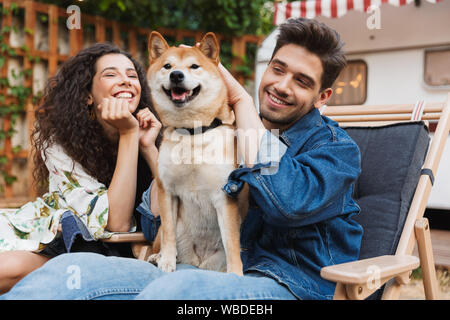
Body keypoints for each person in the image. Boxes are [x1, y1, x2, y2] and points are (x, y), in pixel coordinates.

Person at [1, 18, 363, 300]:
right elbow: (155, 220)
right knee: (66, 271)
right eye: (278, 69)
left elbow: (287, 203)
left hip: (282, 285)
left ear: (322, 96)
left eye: (302, 81)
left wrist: (242, 104)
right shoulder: (219, 130)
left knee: (171, 293)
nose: (282, 86)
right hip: (191, 268)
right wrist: (156, 148)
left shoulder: (335, 150)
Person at [0, 43, 161, 294]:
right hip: (58, 237)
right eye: (111, 74)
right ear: (87, 95)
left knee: (6, 269)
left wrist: (144, 144)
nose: (126, 81)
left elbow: (120, 222)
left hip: (105, 252)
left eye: (132, 75)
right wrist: (128, 132)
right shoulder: (60, 141)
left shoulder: (155, 132)